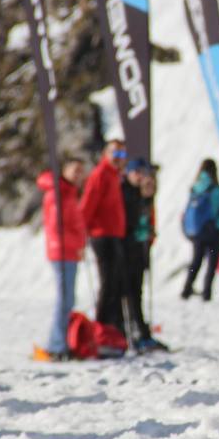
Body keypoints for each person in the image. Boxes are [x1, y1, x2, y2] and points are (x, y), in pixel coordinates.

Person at [34, 157, 87, 361]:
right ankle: (57, 344)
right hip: (62, 251)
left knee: (67, 298)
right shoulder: (59, 194)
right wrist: (78, 243)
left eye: (80, 171)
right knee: (65, 299)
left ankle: (60, 341)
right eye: (74, 170)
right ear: (64, 171)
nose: (78, 175)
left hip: (69, 251)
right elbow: (57, 228)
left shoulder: (68, 192)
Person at [80, 140, 127, 334]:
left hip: (114, 234)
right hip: (101, 235)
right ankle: (101, 326)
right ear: (105, 154)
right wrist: (83, 232)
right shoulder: (100, 175)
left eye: (122, 155)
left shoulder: (115, 176)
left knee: (115, 282)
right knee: (107, 283)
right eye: (114, 153)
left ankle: (113, 327)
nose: (118, 158)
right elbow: (87, 205)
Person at [121, 156, 164, 350]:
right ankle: (131, 330)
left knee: (136, 291)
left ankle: (140, 329)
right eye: (137, 173)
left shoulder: (141, 194)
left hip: (139, 248)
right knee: (128, 292)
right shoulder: (125, 192)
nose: (140, 177)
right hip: (126, 248)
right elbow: (129, 220)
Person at [181, 158, 219, 302]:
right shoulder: (215, 188)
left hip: (197, 231)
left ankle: (187, 288)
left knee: (196, 260)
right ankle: (206, 292)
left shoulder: (195, 187)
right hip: (213, 230)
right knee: (212, 262)